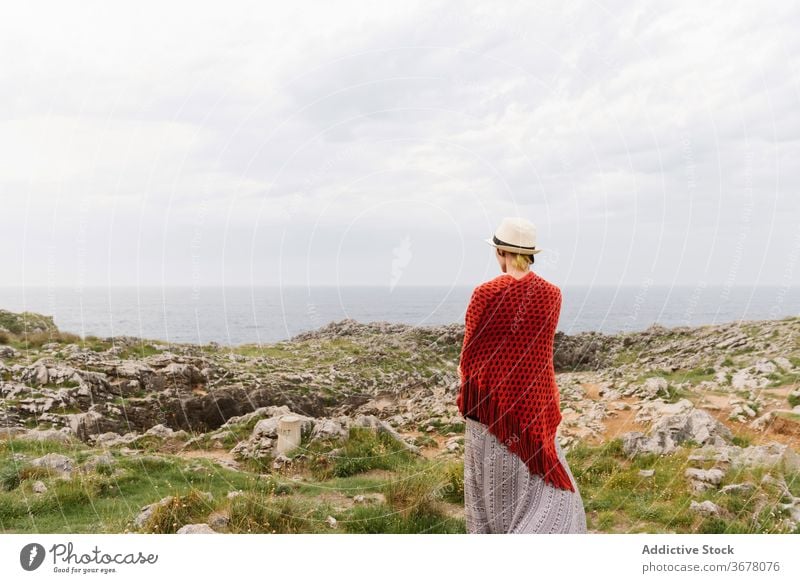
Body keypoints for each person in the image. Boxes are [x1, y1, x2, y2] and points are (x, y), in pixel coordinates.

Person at [456, 217, 587, 534]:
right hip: (534, 406)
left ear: (501, 252)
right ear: (529, 254)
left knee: (491, 489)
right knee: (539, 481)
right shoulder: (552, 294)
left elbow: (470, 353)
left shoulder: (485, 293)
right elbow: (539, 351)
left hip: (491, 409)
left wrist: (470, 390)